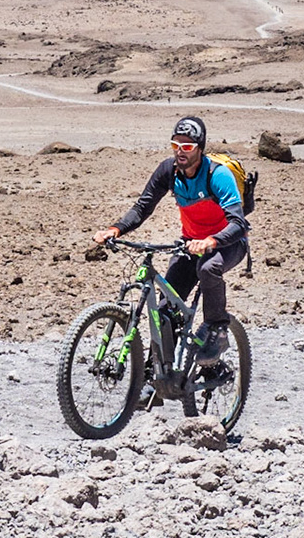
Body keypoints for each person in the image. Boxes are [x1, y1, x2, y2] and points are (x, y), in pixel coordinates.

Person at [102, 115, 249, 366]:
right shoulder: (168, 171)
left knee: (208, 268)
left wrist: (211, 241)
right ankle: (155, 377)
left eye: (188, 146)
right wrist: (116, 229)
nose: (180, 151)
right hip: (190, 243)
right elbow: (143, 207)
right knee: (164, 311)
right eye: (176, 145)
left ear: (200, 148)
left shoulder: (218, 175)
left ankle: (217, 328)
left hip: (228, 243)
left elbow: (238, 224)